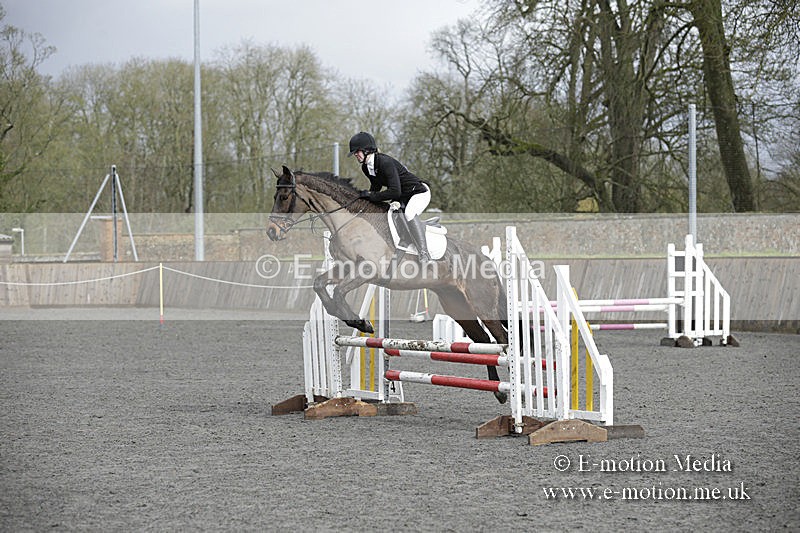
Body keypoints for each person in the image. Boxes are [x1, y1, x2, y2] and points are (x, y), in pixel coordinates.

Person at [348, 131, 432, 264]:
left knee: (409, 213)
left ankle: (424, 253)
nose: (355, 155)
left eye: (357, 152)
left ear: (367, 150)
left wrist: (371, 196)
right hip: (403, 196)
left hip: (418, 193)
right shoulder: (366, 167)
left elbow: (394, 192)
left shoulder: (385, 162)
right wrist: (365, 200)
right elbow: (376, 186)